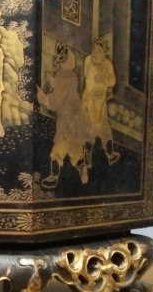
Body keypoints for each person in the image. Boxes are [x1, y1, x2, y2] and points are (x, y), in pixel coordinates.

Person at [37, 42, 92, 188]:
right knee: (76, 150)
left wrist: (45, 99)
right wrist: (55, 83)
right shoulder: (73, 76)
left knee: (58, 150)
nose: (74, 61)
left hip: (66, 122)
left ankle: (54, 176)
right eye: (72, 58)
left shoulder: (62, 77)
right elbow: (64, 88)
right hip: (76, 120)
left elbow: (56, 102)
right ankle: (82, 167)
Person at [82, 39, 120, 166]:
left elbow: (112, 82)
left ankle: (110, 153)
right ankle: (87, 155)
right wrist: (96, 78)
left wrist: (104, 78)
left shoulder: (108, 64)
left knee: (105, 128)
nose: (96, 52)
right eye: (94, 49)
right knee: (90, 128)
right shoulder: (88, 60)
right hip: (89, 100)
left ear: (104, 53)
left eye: (99, 50)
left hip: (100, 101)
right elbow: (86, 75)